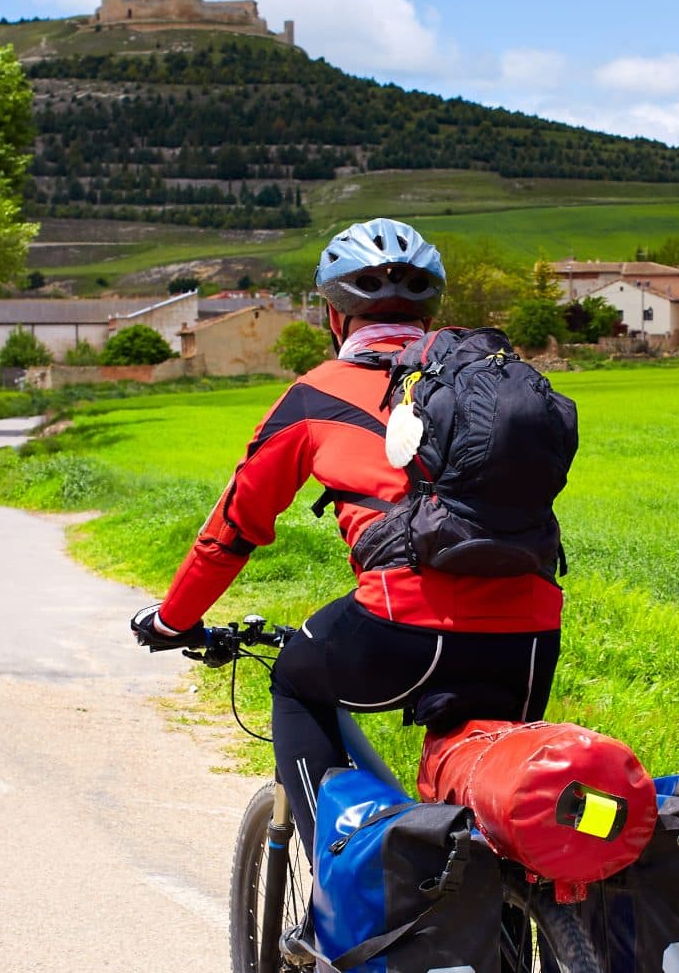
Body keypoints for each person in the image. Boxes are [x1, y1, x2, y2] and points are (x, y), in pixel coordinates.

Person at [129, 219, 562, 840]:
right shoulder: (490, 384)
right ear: (429, 310)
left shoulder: (314, 397)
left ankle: (329, 881)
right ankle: (510, 927)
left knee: (297, 680)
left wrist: (173, 620)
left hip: (399, 627)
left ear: (336, 318)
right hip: (529, 631)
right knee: (501, 813)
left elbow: (231, 531)